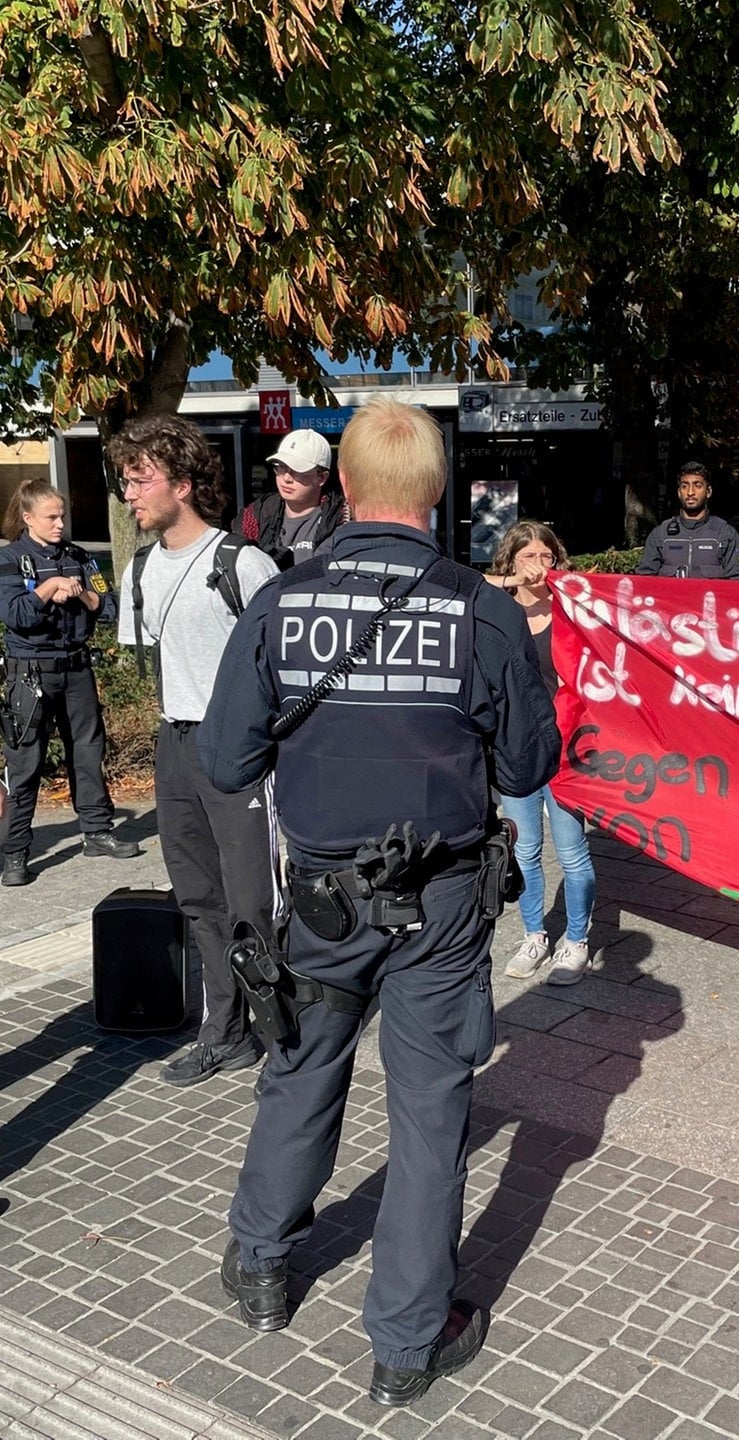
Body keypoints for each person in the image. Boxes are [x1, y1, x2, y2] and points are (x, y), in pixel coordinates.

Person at [197, 399, 559, 1408]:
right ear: (435, 491)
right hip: (440, 902)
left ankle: (263, 1264)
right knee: (431, 1108)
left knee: (302, 1071)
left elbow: (226, 759)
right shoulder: (479, 608)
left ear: (346, 488)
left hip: (318, 901)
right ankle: (404, 1342)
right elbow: (530, 762)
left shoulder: (283, 601)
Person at [111, 415, 282, 1086]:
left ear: (182, 484)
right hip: (173, 740)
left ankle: (274, 1025)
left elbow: (280, 666)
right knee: (197, 898)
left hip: (235, 747)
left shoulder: (242, 563)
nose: (130, 493)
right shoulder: (142, 569)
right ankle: (226, 1030)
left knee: (251, 898)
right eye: (124, 480)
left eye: (140, 479)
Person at [0, 480, 140, 886]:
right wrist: (47, 589)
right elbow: (16, 615)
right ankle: (16, 853)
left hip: (76, 669)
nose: (60, 523)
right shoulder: (10, 560)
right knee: (26, 763)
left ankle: (97, 832)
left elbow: (109, 606)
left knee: (87, 751)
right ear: (28, 519)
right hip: (30, 672)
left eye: (62, 515)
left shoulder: (80, 557)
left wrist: (82, 596)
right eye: (51, 517)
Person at [486, 522, 596, 984]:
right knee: (525, 848)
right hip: (515, 746)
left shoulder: (573, 607)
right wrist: (512, 584)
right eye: (527, 556)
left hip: (566, 747)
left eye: (546, 556)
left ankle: (576, 940)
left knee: (571, 851)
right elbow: (461, 580)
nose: (538, 566)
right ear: (510, 562)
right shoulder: (496, 607)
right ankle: (535, 935)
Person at [234, 429, 345, 568]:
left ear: (322, 477)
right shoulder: (256, 516)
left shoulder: (342, 519)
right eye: (281, 468)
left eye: (298, 471)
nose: (286, 478)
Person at [636, 462, 739, 578]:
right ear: (679, 492)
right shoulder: (660, 534)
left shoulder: (725, 534)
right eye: (685, 486)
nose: (690, 492)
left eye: (697, 486)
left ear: (708, 492)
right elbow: (645, 580)